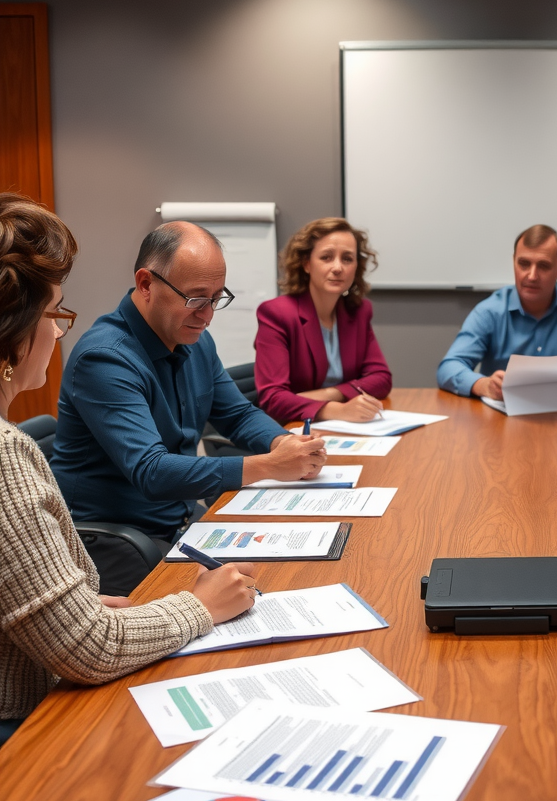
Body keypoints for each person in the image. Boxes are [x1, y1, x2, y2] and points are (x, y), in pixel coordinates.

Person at [0, 194, 258, 745]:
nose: (60, 330)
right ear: (14, 336)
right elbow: (88, 650)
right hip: (21, 719)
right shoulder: (7, 455)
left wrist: (77, 606)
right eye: (54, 313)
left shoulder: (195, 344)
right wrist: (198, 607)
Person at [51, 222, 326, 552]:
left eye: (216, 298)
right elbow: (152, 472)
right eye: (196, 299)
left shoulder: (195, 341)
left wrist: (285, 443)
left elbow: (237, 416)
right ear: (145, 284)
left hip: (180, 523)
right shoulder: (104, 359)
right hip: (117, 543)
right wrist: (269, 465)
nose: (207, 316)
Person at [437, 224, 557, 398]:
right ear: (513, 261)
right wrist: (483, 385)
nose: (531, 276)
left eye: (543, 266)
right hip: (501, 418)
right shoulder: (491, 310)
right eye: (523, 264)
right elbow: (449, 367)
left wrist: (553, 383)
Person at [255, 217, 392, 425]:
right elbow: (272, 399)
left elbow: (381, 379)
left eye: (347, 259)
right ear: (307, 264)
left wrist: (329, 393)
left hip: (346, 428)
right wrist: (338, 410)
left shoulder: (359, 311)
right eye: (326, 257)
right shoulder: (277, 314)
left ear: (356, 266)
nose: (338, 267)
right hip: (295, 430)